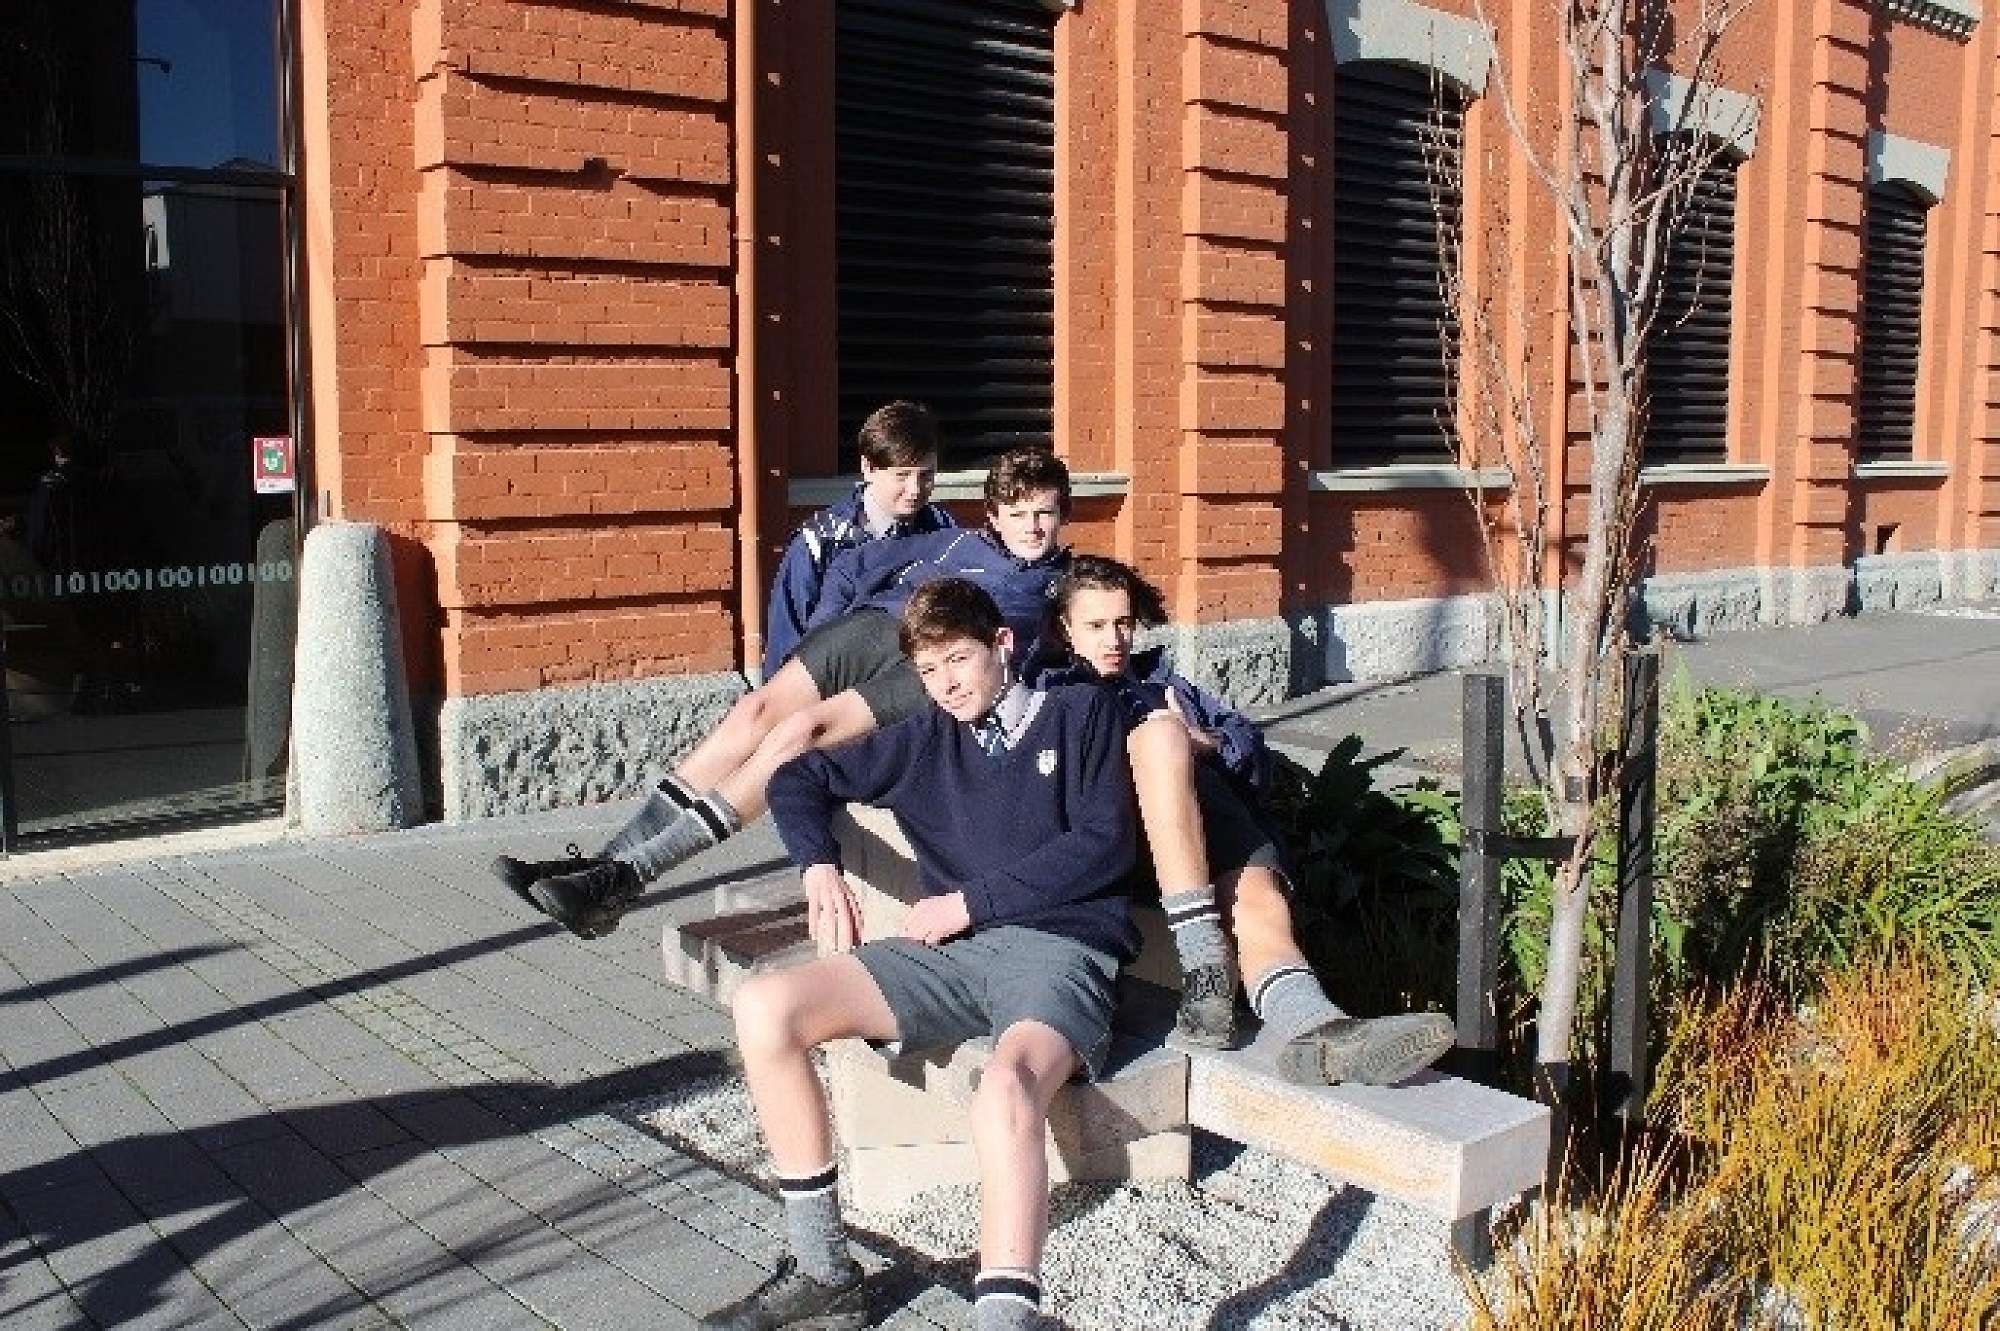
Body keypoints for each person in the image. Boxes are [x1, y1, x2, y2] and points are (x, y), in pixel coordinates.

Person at [700, 577, 1137, 1331]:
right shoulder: (926, 737)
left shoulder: (1079, 713)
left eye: (959, 660)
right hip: (951, 956)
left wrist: (971, 903)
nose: (946, 685)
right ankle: (824, 1271)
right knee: (764, 1007)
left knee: (1004, 1087)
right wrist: (817, 864)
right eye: (929, 671)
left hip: (1058, 951)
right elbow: (797, 774)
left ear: (1003, 644)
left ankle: (1004, 1317)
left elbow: (1104, 845)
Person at [492, 446, 1076, 940]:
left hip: (932, 658)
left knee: (801, 733)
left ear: (1062, 515)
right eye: (1018, 513)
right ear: (993, 515)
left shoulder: (1062, 585)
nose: (1032, 527)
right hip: (872, 629)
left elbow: (1084, 649)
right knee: (755, 711)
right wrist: (828, 624)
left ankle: (628, 877)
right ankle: (601, 868)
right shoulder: (953, 541)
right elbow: (858, 563)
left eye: (1045, 514)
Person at [1029, 554, 1455, 1087]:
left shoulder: (1159, 679)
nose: (1114, 639)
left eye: (1123, 623)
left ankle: (1322, 1031)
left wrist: (1202, 740)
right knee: (1159, 736)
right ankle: (1204, 964)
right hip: (1135, 840)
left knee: (1260, 905)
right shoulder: (1052, 695)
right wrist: (1165, 739)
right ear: (1064, 629)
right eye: (1095, 626)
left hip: (1217, 818)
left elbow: (1249, 746)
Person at [760, 400, 955, 682]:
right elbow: (785, 648)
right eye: (902, 476)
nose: (914, 490)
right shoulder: (819, 543)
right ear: (868, 467)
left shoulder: (945, 529)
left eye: (926, 476)